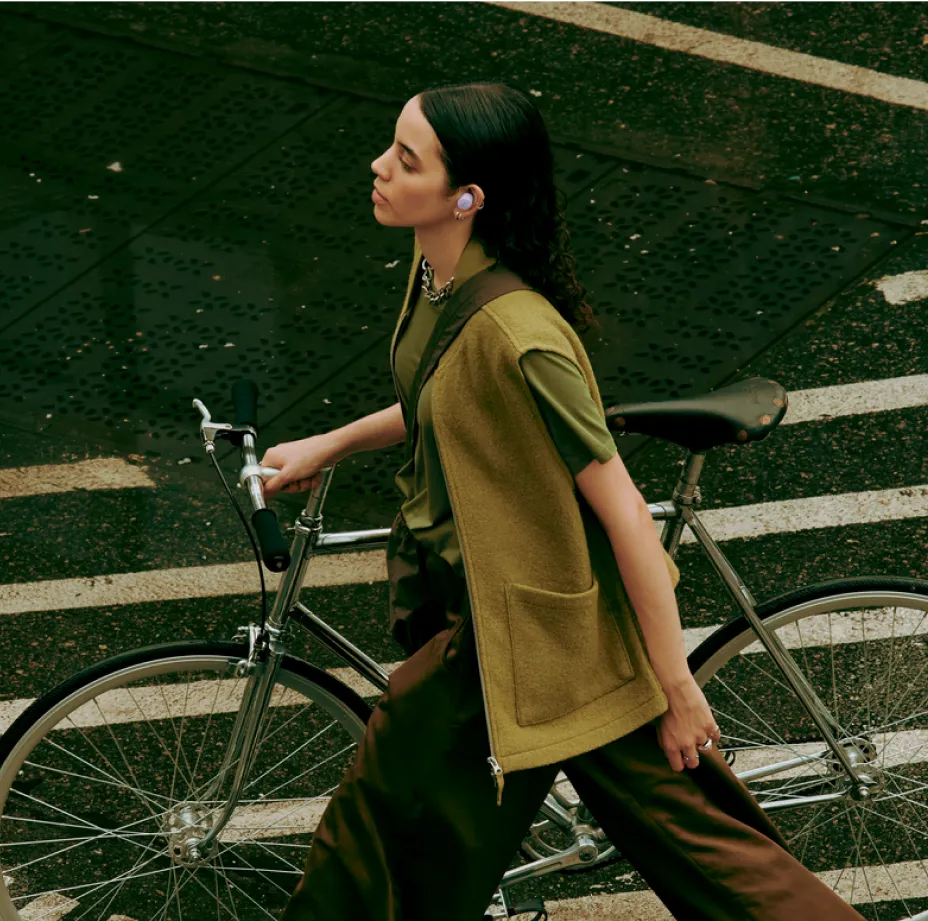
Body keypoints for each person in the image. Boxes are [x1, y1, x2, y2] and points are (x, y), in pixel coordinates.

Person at [260, 82, 863, 921]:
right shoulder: (439, 275)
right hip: (511, 633)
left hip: (536, 639)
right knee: (698, 854)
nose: (378, 167)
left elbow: (622, 513)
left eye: (406, 158)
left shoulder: (520, 334)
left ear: (465, 197)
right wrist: (331, 443)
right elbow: (448, 399)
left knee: (382, 830)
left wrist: (677, 686)